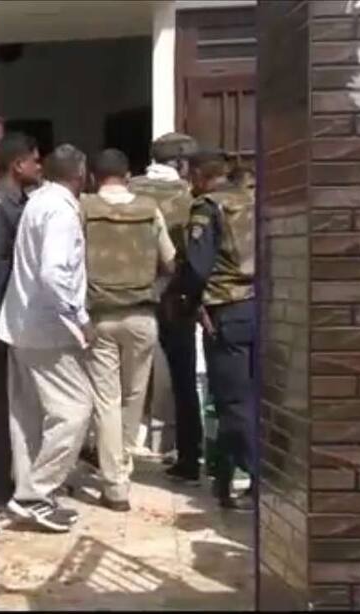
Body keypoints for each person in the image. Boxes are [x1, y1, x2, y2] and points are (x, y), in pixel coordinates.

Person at [0, 143, 93, 533]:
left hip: (20, 325)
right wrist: (79, 317)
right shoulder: (61, 211)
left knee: (28, 418)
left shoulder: (37, 202)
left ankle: (30, 496)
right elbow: (53, 273)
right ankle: (34, 494)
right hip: (48, 329)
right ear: (80, 173)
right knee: (76, 409)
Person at [81, 149, 176, 512]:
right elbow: (171, 262)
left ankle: (115, 484)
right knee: (133, 398)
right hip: (142, 316)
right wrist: (155, 292)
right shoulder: (149, 209)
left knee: (106, 401)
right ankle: (122, 467)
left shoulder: (83, 208)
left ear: (93, 176)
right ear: (129, 175)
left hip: (100, 316)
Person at [175, 148, 256, 510]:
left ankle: (260, 477)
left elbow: (197, 267)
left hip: (225, 310)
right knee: (251, 399)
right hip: (261, 308)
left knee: (231, 401)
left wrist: (189, 304)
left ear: (198, 174)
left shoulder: (207, 207)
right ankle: (224, 479)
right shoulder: (252, 200)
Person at [131, 133, 203, 483]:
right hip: (175, 297)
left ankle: (113, 460)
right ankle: (189, 457)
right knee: (184, 380)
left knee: (120, 384)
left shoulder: (127, 191)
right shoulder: (189, 197)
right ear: (181, 163)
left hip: (129, 297)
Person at [0, 131, 43, 506]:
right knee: (0, 404)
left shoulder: (23, 203)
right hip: (1, 320)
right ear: (17, 164)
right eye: (35, 160)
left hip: (21, 319)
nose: (39, 167)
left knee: (23, 403)